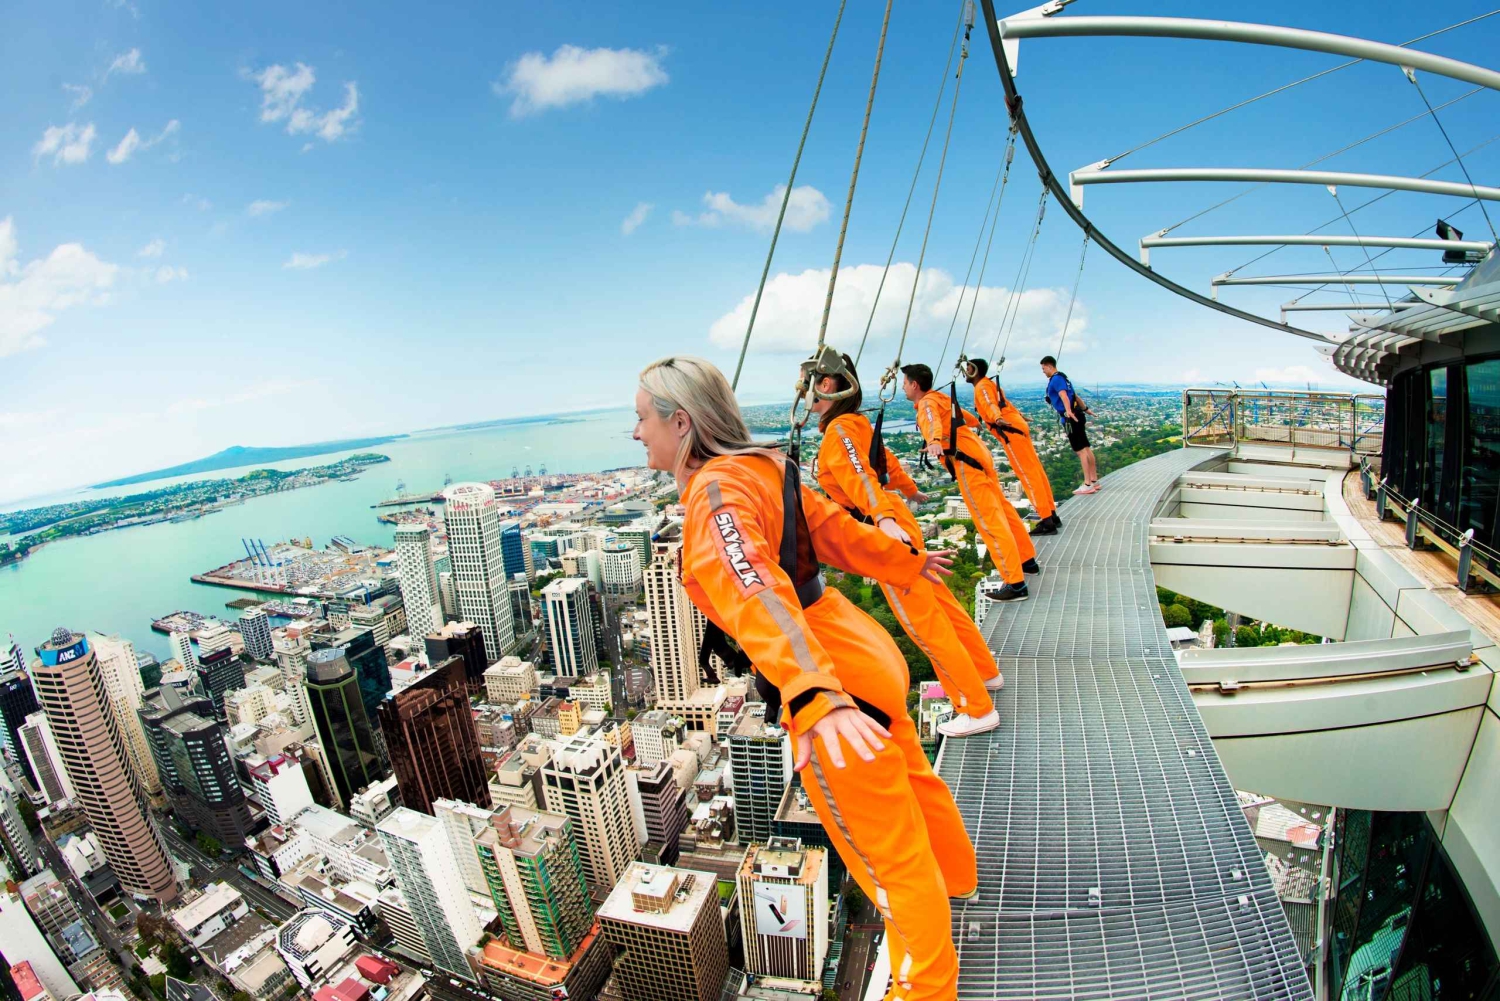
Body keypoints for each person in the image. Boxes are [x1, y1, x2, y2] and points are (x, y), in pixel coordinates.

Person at [634, 355, 971, 998]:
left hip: (833, 677)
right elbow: (838, 533)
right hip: (860, 648)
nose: (637, 432)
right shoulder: (767, 465)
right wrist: (906, 562)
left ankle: (927, 987)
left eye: (642, 418)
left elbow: (756, 591)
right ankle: (956, 882)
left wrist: (815, 694)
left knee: (885, 858)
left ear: (680, 422)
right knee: (915, 782)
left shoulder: (714, 493)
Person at [810, 353, 1003, 738]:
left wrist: (881, 518)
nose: (805, 397)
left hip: (884, 530)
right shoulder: (856, 423)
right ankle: (985, 672)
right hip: (897, 517)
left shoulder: (839, 432)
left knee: (923, 624)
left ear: (826, 385)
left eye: (808, 387)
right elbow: (886, 464)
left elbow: (862, 476)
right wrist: (909, 493)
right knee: (944, 608)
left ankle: (975, 707)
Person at [903, 362, 1038, 603]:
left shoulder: (926, 403)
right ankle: (1026, 560)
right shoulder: (941, 398)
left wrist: (934, 440)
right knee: (1003, 510)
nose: (903, 388)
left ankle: (1015, 583)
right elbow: (966, 419)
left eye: (904, 383)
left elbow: (932, 420)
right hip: (977, 452)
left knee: (989, 520)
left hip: (966, 462)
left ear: (914, 385)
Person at [964, 357, 1061, 535]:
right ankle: (1051, 514)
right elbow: (1005, 403)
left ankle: (1047, 521)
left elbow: (991, 404)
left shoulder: (982, 387)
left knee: (1027, 474)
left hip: (1010, 432)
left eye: (968, 368)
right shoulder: (990, 384)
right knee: (1035, 470)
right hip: (1016, 427)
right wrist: (1019, 415)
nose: (966, 371)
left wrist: (997, 418)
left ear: (975, 370)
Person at [1041, 354, 1099, 494]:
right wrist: (1086, 409)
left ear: (1049, 366)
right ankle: (1094, 480)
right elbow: (1075, 396)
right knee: (1086, 447)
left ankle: (1087, 484)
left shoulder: (1056, 380)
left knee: (1080, 451)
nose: (1043, 371)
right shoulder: (1064, 378)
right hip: (1078, 413)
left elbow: (1064, 396)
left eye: (1044, 369)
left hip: (1071, 417)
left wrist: (1068, 411)